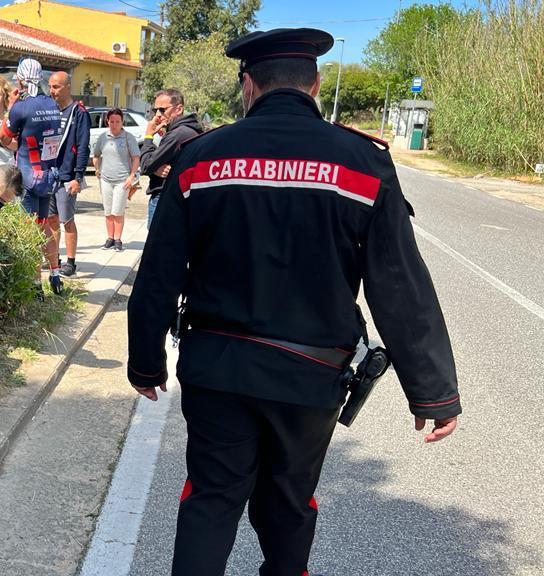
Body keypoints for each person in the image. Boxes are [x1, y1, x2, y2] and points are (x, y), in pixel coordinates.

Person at [127, 28, 461, 576]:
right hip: (310, 377)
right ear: (316, 83)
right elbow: (398, 283)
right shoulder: (362, 162)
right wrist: (433, 393)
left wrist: (145, 360)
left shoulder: (201, 158)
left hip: (217, 368)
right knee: (289, 502)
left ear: (248, 85)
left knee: (210, 499)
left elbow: (160, 271)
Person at [0, 58, 65, 295]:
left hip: (28, 175)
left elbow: (3, 138)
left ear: (20, 78)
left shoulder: (21, 106)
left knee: (31, 229)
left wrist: (10, 106)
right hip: (48, 175)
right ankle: (56, 275)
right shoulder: (51, 104)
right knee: (45, 225)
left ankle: (36, 284)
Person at [138, 88, 205, 229]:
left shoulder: (177, 134)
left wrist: (149, 135)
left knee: (157, 248)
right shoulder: (188, 129)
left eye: (162, 110)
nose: (157, 115)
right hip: (178, 199)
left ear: (179, 109)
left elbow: (145, 165)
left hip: (163, 198)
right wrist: (155, 166)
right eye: (155, 110)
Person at [47, 71, 91, 278]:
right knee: (51, 220)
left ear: (67, 87)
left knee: (67, 220)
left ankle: (71, 263)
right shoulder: (49, 110)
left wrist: (78, 177)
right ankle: (55, 259)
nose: (52, 90)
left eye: (56, 87)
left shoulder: (79, 112)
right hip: (50, 174)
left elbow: (83, 147)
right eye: (50, 86)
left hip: (67, 176)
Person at [92, 108, 140, 252]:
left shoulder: (128, 137)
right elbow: (96, 155)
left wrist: (131, 177)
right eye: (111, 121)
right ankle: (110, 238)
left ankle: (118, 239)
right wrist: (97, 170)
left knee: (117, 211)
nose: (114, 124)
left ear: (122, 122)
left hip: (122, 180)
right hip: (106, 179)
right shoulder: (103, 137)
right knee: (108, 211)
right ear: (107, 121)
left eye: (117, 121)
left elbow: (136, 158)